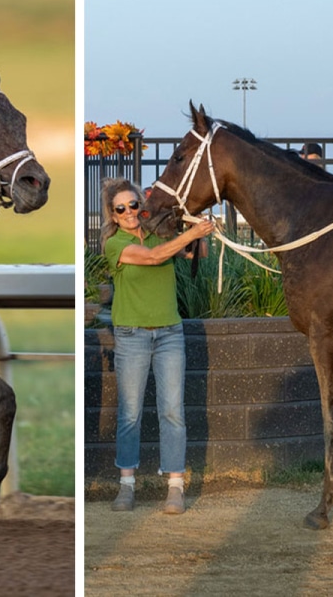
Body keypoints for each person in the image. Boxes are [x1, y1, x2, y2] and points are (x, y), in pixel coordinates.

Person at [100, 178, 215, 514]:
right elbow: (152, 258)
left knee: (172, 411)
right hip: (131, 336)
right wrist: (188, 236)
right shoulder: (114, 244)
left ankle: (175, 486)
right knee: (130, 414)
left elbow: (199, 252)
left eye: (133, 205)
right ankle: (126, 485)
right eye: (120, 208)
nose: (129, 212)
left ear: (142, 204)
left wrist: (195, 228)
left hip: (169, 334)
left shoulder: (158, 234)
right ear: (113, 215)